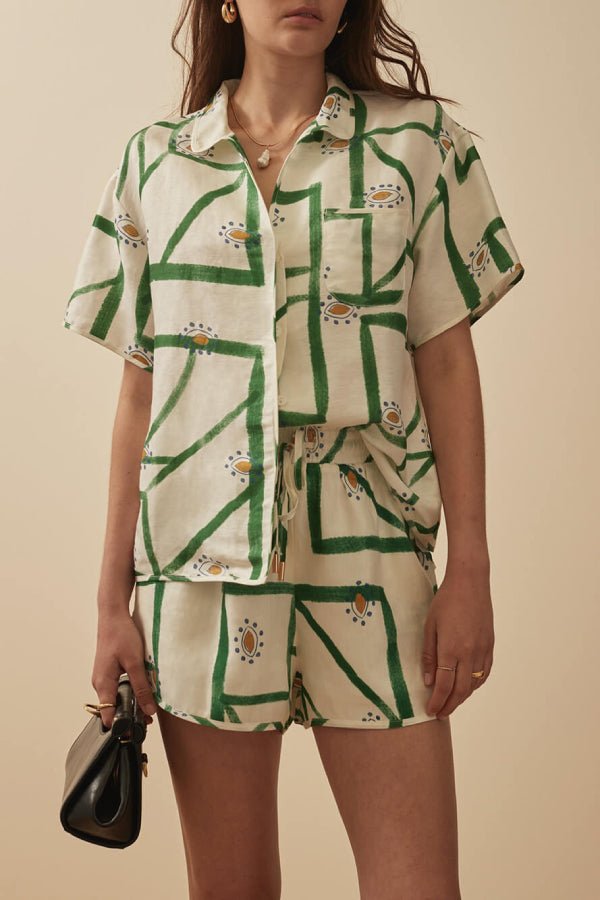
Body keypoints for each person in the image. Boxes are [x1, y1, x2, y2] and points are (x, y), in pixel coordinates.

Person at [62, 1, 525, 897]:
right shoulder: (156, 162)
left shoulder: (419, 146)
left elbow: (446, 361)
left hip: (370, 545)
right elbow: (141, 391)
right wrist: (111, 602)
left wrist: (470, 564)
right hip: (200, 560)